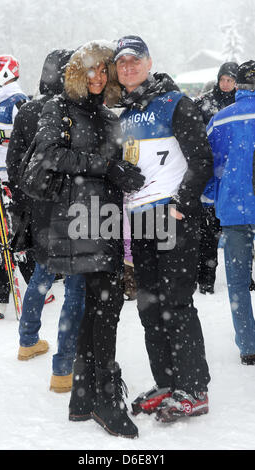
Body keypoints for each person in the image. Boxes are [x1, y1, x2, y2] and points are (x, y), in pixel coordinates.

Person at [20, 41, 144, 438]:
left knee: (97, 312)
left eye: (103, 70)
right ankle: (106, 399)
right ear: (76, 73)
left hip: (106, 223)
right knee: (104, 314)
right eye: (90, 70)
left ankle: (82, 397)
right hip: (77, 226)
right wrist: (106, 166)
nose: (98, 77)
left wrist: (121, 169)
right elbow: (51, 155)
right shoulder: (59, 108)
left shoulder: (107, 114)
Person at [114, 35, 212, 423]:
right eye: (121, 62)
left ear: (148, 61)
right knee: (149, 306)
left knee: (176, 302)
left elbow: (201, 159)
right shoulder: (122, 115)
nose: (128, 67)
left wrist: (182, 205)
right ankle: (168, 383)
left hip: (172, 217)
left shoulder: (174, 103)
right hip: (139, 220)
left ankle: (194, 388)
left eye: (134, 60)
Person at [6, 49, 86, 393]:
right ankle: (63, 368)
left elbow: (14, 162)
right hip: (72, 205)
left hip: (38, 206)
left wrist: (25, 204)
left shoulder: (27, 110)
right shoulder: (71, 110)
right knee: (74, 281)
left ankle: (27, 340)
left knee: (41, 271)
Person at [207, 60, 255, 366]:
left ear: (236, 85)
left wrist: (212, 198)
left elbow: (209, 165)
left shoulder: (220, 120)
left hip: (235, 207)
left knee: (237, 281)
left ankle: (248, 344)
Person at [0, 55, 36, 319]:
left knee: (17, 236)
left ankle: (35, 287)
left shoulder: (18, 102)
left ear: (5, 73)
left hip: (14, 180)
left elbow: (29, 137)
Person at [195, 62, 238, 294]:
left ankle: (241, 277)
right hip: (210, 176)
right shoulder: (204, 103)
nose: (225, 84)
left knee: (235, 232)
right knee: (207, 233)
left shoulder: (240, 105)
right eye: (223, 79)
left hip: (233, 177)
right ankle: (206, 278)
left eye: (230, 80)